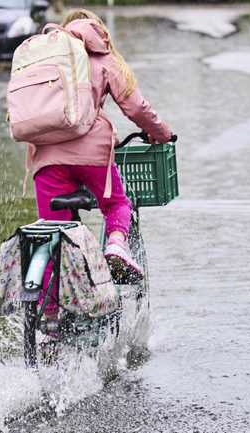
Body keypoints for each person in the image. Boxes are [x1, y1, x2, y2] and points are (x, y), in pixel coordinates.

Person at [30, 8, 173, 321]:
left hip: (46, 159)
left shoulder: (43, 57)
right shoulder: (101, 57)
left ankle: (49, 320)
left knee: (54, 234)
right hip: (90, 154)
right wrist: (161, 133)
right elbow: (135, 106)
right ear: (96, 30)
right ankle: (116, 246)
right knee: (117, 203)